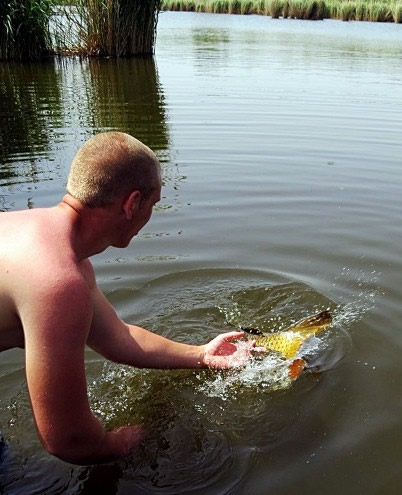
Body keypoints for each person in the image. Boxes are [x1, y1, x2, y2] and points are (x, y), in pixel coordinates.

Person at [0, 132, 259, 465]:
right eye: (152, 205)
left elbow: (117, 337)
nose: (149, 216)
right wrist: (125, 441)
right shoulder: (58, 282)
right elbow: (68, 440)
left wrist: (202, 355)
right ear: (132, 203)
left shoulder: (35, 238)